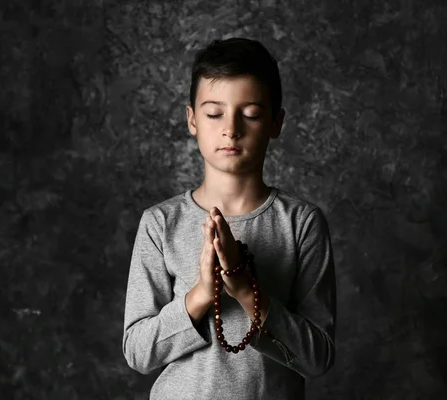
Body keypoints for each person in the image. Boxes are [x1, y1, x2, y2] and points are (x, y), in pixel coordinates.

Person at [122, 37, 336, 400]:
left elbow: (318, 358)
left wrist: (250, 295)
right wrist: (201, 295)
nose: (231, 128)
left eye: (250, 114)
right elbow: (138, 352)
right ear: (192, 119)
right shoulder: (161, 223)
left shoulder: (302, 224)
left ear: (275, 122)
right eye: (214, 113)